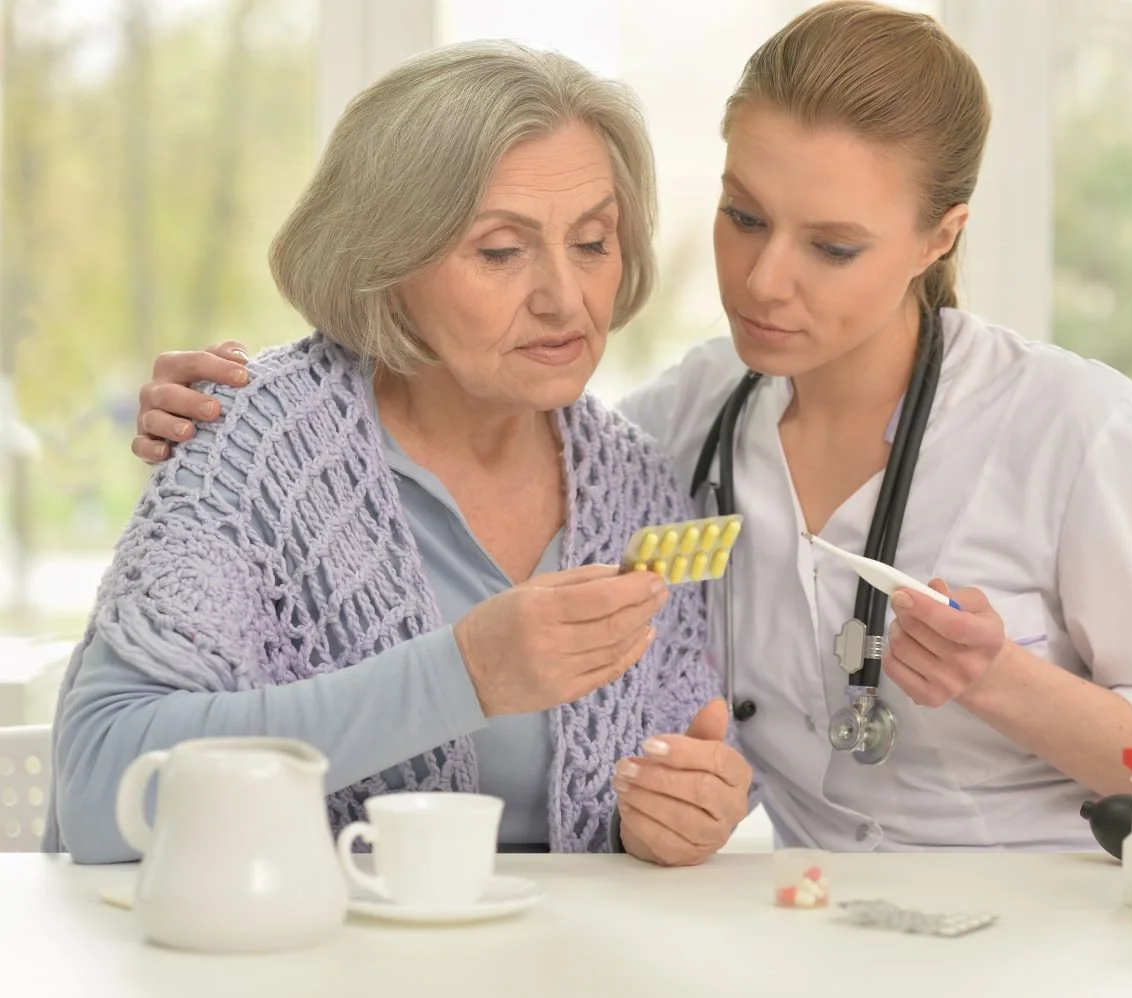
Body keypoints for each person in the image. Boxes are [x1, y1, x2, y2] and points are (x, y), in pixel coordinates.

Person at [127, 1, 1132, 853]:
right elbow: (466, 391)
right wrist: (231, 405)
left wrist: (1004, 678)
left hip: (1045, 930)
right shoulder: (678, 428)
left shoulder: (1081, 431)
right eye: (743, 216)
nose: (762, 281)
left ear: (938, 237)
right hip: (794, 930)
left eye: (834, 246)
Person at [46, 39, 754, 866]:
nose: (566, 297)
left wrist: (684, 811)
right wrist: (460, 677)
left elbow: (668, 768)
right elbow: (100, 791)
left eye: (593, 242)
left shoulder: (634, 482)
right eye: (501, 250)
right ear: (387, 260)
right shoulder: (251, 447)